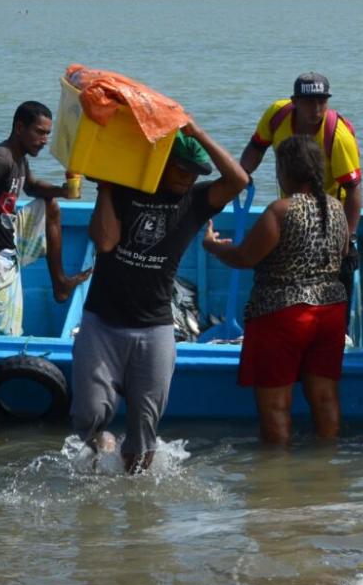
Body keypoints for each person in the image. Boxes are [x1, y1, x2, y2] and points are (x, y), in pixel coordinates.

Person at [74, 117, 247, 472]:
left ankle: (137, 509)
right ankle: (102, 441)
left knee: (143, 436)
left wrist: (197, 131)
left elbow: (238, 180)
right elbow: (105, 241)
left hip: (154, 327)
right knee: (88, 416)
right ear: (163, 163)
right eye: (182, 170)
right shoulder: (126, 190)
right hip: (102, 322)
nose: (188, 179)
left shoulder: (196, 202)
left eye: (195, 173)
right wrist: (105, 187)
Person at [202, 135, 349, 445]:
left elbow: (245, 257)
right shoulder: (337, 209)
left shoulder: (280, 211)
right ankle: (329, 464)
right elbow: (343, 252)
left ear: (285, 170)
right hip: (331, 312)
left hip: (283, 315)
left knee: (275, 405)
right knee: (325, 398)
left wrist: (213, 247)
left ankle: (276, 476)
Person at [0, 100, 90, 337]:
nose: (44, 140)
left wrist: (62, 191)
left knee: (50, 206)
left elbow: (33, 188)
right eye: (39, 132)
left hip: (7, 238)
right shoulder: (0, 160)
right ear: (19, 128)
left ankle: (60, 282)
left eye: (47, 134)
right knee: (5, 337)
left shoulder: (19, 157)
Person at [240, 72, 363, 234]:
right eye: (309, 102)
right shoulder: (277, 115)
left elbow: (353, 189)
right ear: (295, 101)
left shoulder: (339, 137)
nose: (317, 109)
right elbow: (257, 147)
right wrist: (241, 175)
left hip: (329, 218)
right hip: (291, 211)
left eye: (322, 101)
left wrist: (349, 236)